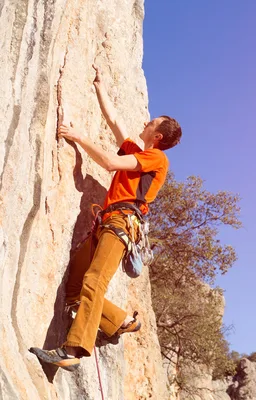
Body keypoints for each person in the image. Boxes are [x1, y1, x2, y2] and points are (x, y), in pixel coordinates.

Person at [30, 64, 182, 371]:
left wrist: (79, 137)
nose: (145, 122)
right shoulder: (141, 151)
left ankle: (73, 350)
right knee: (75, 285)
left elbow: (111, 163)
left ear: (158, 134)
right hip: (108, 223)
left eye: (151, 122)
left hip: (122, 224)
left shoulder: (156, 157)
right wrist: (99, 86)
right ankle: (120, 321)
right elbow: (114, 121)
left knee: (94, 280)